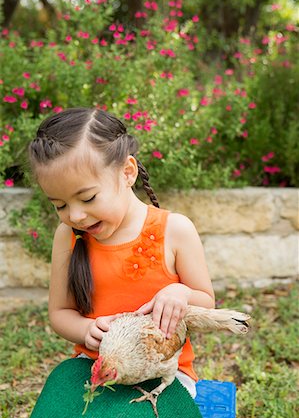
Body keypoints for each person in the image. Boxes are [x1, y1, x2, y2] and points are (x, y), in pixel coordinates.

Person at [28, 107, 215, 399]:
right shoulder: (68, 237)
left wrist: (180, 292)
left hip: (165, 373)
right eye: (60, 205)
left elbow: (206, 302)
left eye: (88, 197)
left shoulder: (175, 230)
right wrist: (86, 329)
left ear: (127, 172)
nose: (75, 216)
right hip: (95, 366)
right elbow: (60, 312)